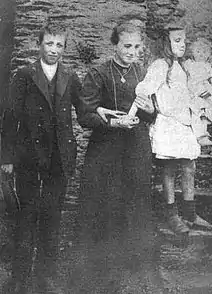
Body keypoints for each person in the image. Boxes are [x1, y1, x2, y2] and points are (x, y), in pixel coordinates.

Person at [1, 23, 81, 294]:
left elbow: (85, 109)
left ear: (64, 48)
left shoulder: (70, 77)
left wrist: (109, 114)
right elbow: (10, 117)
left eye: (59, 45)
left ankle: (46, 279)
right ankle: (19, 279)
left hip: (59, 158)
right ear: (40, 44)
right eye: (50, 44)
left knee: (52, 218)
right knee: (26, 218)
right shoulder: (24, 75)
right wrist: (7, 158)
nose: (54, 50)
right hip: (29, 157)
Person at [132, 24, 212, 234]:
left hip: (185, 123)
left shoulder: (185, 66)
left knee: (189, 167)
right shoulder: (161, 66)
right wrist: (132, 113)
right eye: (177, 40)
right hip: (168, 124)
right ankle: (172, 215)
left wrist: (207, 89)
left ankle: (190, 213)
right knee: (168, 169)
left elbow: (196, 88)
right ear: (166, 44)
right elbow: (144, 89)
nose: (182, 44)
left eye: (184, 40)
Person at [77, 21, 156, 243]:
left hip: (135, 149)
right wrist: (112, 124)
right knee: (106, 206)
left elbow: (152, 114)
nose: (132, 52)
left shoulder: (143, 73)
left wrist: (150, 109)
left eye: (136, 47)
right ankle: (102, 270)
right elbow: (85, 115)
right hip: (106, 151)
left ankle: (132, 268)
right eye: (127, 46)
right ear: (115, 45)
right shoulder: (98, 73)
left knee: (133, 206)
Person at [184, 37, 212, 146]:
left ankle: (203, 135)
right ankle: (198, 135)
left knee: (204, 115)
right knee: (195, 113)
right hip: (193, 94)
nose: (201, 54)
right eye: (198, 51)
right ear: (192, 52)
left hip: (205, 95)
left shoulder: (209, 67)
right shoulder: (188, 64)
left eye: (204, 52)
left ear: (208, 54)